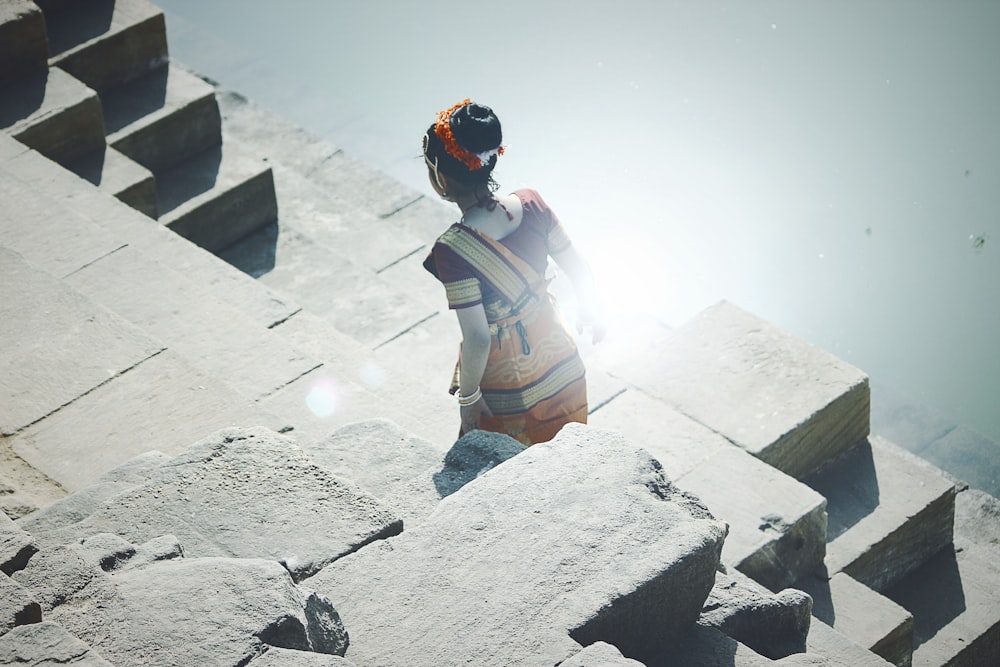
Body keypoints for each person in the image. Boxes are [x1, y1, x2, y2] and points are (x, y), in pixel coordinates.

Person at [421, 99, 605, 445]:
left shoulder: (453, 250)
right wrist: (591, 309)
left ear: (440, 176)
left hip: (510, 389)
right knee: (566, 452)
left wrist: (469, 398)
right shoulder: (532, 203)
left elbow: (477, 338)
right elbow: (578, 267)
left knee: (512, 466)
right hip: (561, 364)